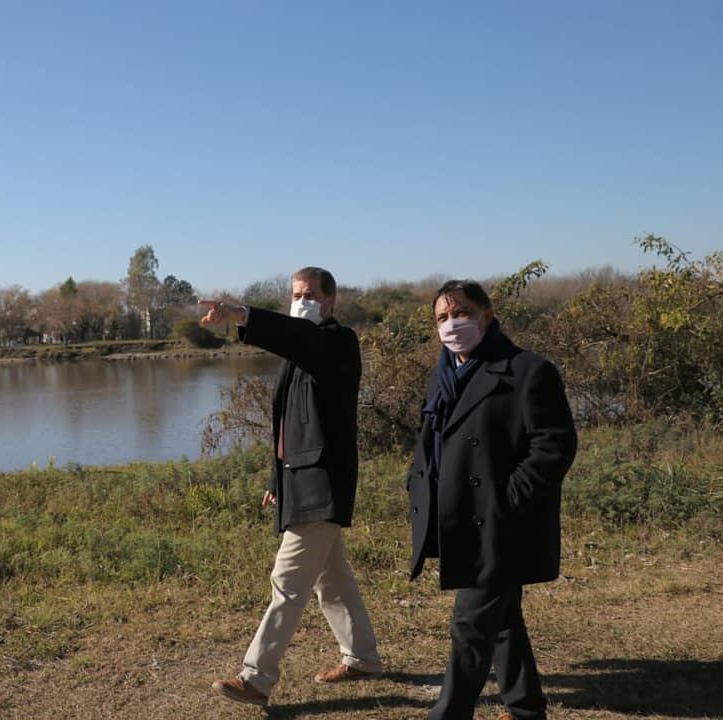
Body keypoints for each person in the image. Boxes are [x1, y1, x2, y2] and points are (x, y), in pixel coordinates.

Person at [200, 267, 383, 708]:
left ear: (331, 301)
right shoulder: (298, 352)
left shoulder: (337, 342)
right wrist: (275, 479)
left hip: (323, 483)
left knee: (287, 581)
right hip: (298, 481)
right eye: (296, 294)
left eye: (311, 294)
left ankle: (257, 678)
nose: (301, 300)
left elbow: (304, 341)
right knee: (330, 578)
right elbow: (288, 428)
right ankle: (362, 658)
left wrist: (243, 313)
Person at [409, 280, 577, 720]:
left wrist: (507, 501)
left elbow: (554, 446)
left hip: (502, 524)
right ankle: (526, 707)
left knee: (469, 624)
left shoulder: (527, 370)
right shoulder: (444, 374)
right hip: (461, 519)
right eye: (442, 318)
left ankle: (448, 714)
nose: (452, 324)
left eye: (460, 313)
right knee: (501, 620)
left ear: (486, 313)